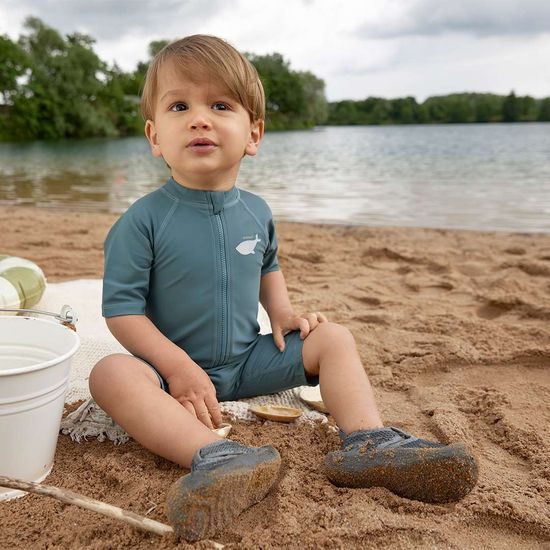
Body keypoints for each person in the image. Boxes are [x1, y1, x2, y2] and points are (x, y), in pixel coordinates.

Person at [89, 35, 478, 541]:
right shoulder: (141, 222)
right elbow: (122, 312)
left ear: (253, 134)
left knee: (332, 337)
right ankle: (217, 456)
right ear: (154, 136)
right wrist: (177, 368)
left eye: (220, 105)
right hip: (169, 376)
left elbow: (267, 263)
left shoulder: (257, 211)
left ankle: (367, 443)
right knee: (110, 374)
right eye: (180, 106)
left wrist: (283, 313)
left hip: (247, 361)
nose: (199, 118)